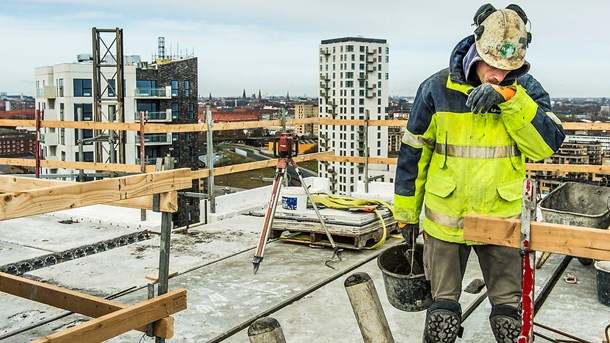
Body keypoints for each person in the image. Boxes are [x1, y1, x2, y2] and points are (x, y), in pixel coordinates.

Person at [393, 4, 565, 343]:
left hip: (500, 218)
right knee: (441, 310)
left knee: (507, 311)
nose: (499, 75)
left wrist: (510, 99)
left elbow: (546, 145)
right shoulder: (436, 89)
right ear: (476, 50)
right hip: (447, 217)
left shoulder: (523, 89)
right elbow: (413, 155)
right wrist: (406, 215)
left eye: (507, 70)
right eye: (492, 67)